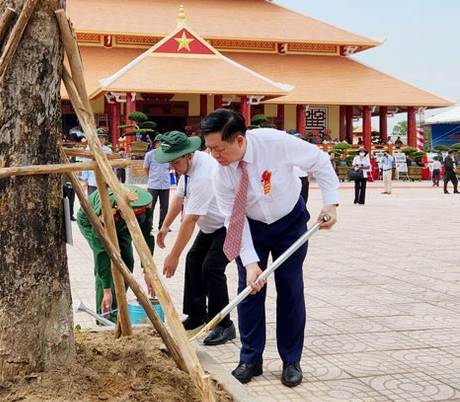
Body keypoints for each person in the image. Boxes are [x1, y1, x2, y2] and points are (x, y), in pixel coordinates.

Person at [203, 109, 338, 387]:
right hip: (250, 226)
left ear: (239, 140)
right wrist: (251, 263)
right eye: (209, 148)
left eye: (219, 148)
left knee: (290, 289)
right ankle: (250, 359)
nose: (214, 155)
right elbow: (233, 218)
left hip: (289, 222)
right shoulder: (220, 172)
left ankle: (291, 360)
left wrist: (331, 203)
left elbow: (320, 161)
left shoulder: (275, 142)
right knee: (249, 289)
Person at [155, 131, 235, 345]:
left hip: (230, 225)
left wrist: (173, 255)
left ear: (189, 155)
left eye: (175, 162)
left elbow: (189, 220)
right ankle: (197, 315)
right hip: (211, 226)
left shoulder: (204, 174)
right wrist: (164, 226)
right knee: (194, 261)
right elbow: (180, 196)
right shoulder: (188, 167)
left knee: (211, 268)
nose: (173, 167)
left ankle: (223, 324)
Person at [77, 185, 154, 323]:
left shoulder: (145, 203)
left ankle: (117, 302)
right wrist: (107, 289)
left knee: (127, 262)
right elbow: (101, 253)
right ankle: (105, 313)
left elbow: (146, 237)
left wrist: (148, 270)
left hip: (120, 224)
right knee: (108, 259)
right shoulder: (106, 209)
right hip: (91, 220)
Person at [144, 138, 172, 230]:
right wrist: (152, 177)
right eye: (159, 143)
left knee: (164, 207)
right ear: (155, 144)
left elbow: (169, 168)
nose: (160, 145)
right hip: (153, 185)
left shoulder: (168, 155)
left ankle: (163, 226)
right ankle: (148, 225)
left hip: (165, 184)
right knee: (150, 206)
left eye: (162, 143)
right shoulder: (149, 155)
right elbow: (146, 168)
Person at [80, 128, 113, 196]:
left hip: (105, 180)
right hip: (92, 181)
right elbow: (85, 166)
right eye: (99, 137)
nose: (101, 139)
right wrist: (84, 180)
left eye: (102, 137)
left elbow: (111, 166)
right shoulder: (88, 150)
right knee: (92, 201)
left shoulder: (108, 150)